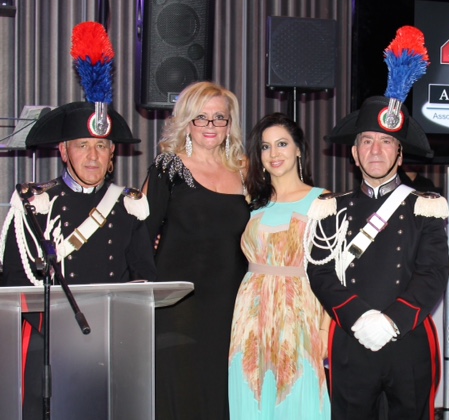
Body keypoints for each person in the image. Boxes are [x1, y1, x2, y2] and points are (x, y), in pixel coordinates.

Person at [0, 101, 157, 420]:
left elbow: (144, 279)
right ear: (63, 151)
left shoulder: (128, 206)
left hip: (111, 339)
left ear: (112, 153)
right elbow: (15, 280)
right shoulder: (35, 204)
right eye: (82, 145)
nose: (93, 155)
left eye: (101, 146)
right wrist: (59, 332)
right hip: (48, 340)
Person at [304, 96, 449, 419]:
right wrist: (359, 317)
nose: (375, 150)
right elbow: (320, 273)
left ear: (400, 155)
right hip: (351, 338)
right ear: (354, 154)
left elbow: (434, 272)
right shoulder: (331, 209)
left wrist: (392, 321)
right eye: (367, 141)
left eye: (386, 142)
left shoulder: (424, 207)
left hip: (408, 337)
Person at [143, 81, 249, 420]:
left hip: (231, 304)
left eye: (219, 117)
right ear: (187, 121)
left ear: (230, 124)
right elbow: (142, 237)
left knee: (221, 391)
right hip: (178, 303)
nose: (210, 125)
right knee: (180, 391)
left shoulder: (246, 171)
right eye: (201, 117)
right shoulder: (167, 167)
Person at [228, 112, 330, 419]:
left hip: (300, 312)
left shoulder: (322, 200)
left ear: (298, 149)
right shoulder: (249, 201)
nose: (274, 153)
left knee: (300, 399)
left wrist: (325, 329)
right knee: (250, 400)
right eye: (265, 146)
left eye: (282, 144)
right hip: (250, 315)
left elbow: (333, 271)